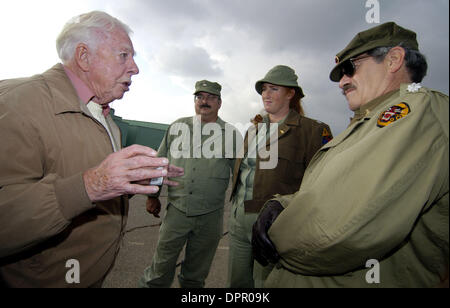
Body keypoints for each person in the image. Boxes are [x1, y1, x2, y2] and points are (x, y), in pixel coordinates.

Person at [252, 22, 449, 288]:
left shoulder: (417, 111)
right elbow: (334, 187)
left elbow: (341, 229)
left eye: (349, 68)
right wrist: (283, 205)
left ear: (393, 60)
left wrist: (277, 235)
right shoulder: (369, 120)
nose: (343, 82)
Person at [0, 11, 183, 288]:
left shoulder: (102, 115)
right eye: (124, 55)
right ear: (84, 57)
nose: (135, 68)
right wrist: (92, 185)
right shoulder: (16, 103)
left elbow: (80, 172)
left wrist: (130, 179)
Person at [227, 65, 333, 288]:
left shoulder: (312, 131)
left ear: (290, 93)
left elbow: (322, 182)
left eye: (274, 88)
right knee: (236, 283)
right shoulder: (253, 130)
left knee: (265, 284)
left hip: (273, 222)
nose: (266, 94)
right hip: (238, 218)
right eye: (264, 89)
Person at [139, 80, 237, 288]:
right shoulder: (177, 127)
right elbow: (160, 163)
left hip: (210, 216)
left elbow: (239, 174)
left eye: (210, 97)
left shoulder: (231, 134)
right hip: (177, 210)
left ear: (219, 103)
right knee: (159, 271)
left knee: (195, 276)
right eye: (200, 97)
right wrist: (152, 196)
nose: (204, 101)